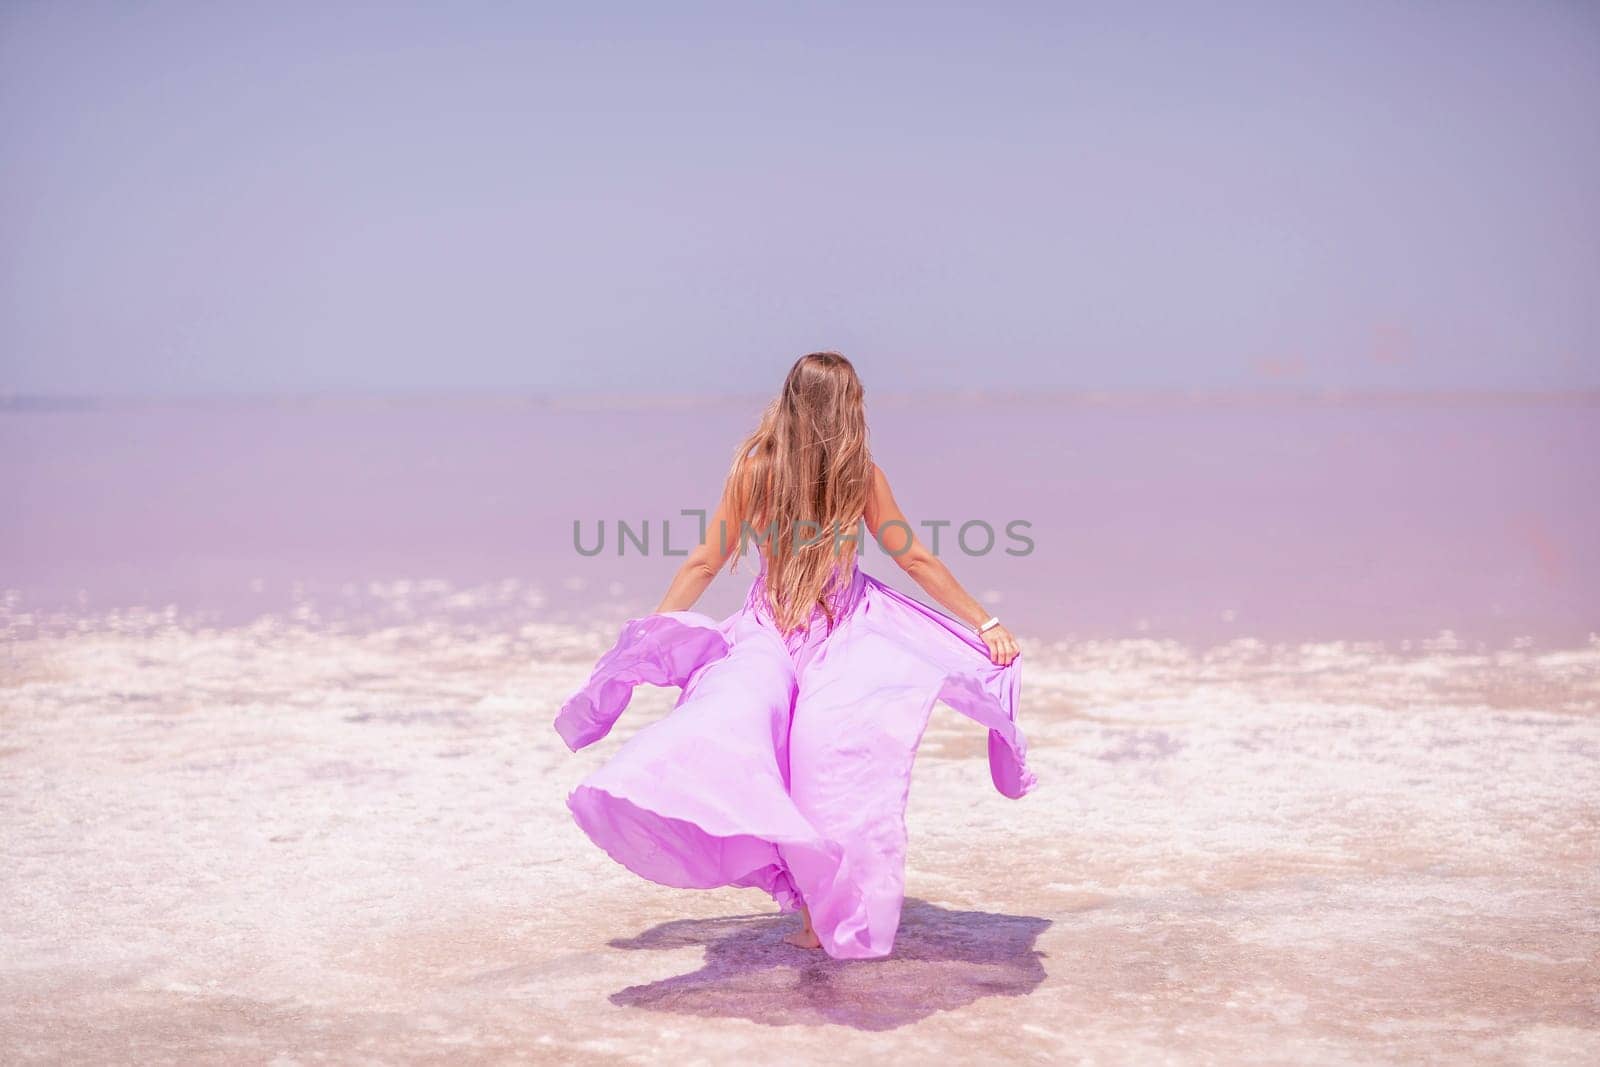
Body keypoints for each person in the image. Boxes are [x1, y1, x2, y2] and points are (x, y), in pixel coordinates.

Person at [555, 351, 1036, 959]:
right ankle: (820, 910)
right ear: (845, 407)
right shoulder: (835, 472)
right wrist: (985, 621)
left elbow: (704, 562)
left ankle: (819, 912)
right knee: (803, 766)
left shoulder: (779, 470)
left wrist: (654, 633)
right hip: (816, 636)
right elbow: (913, 557)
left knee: (796, 765)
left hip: (804, 635)